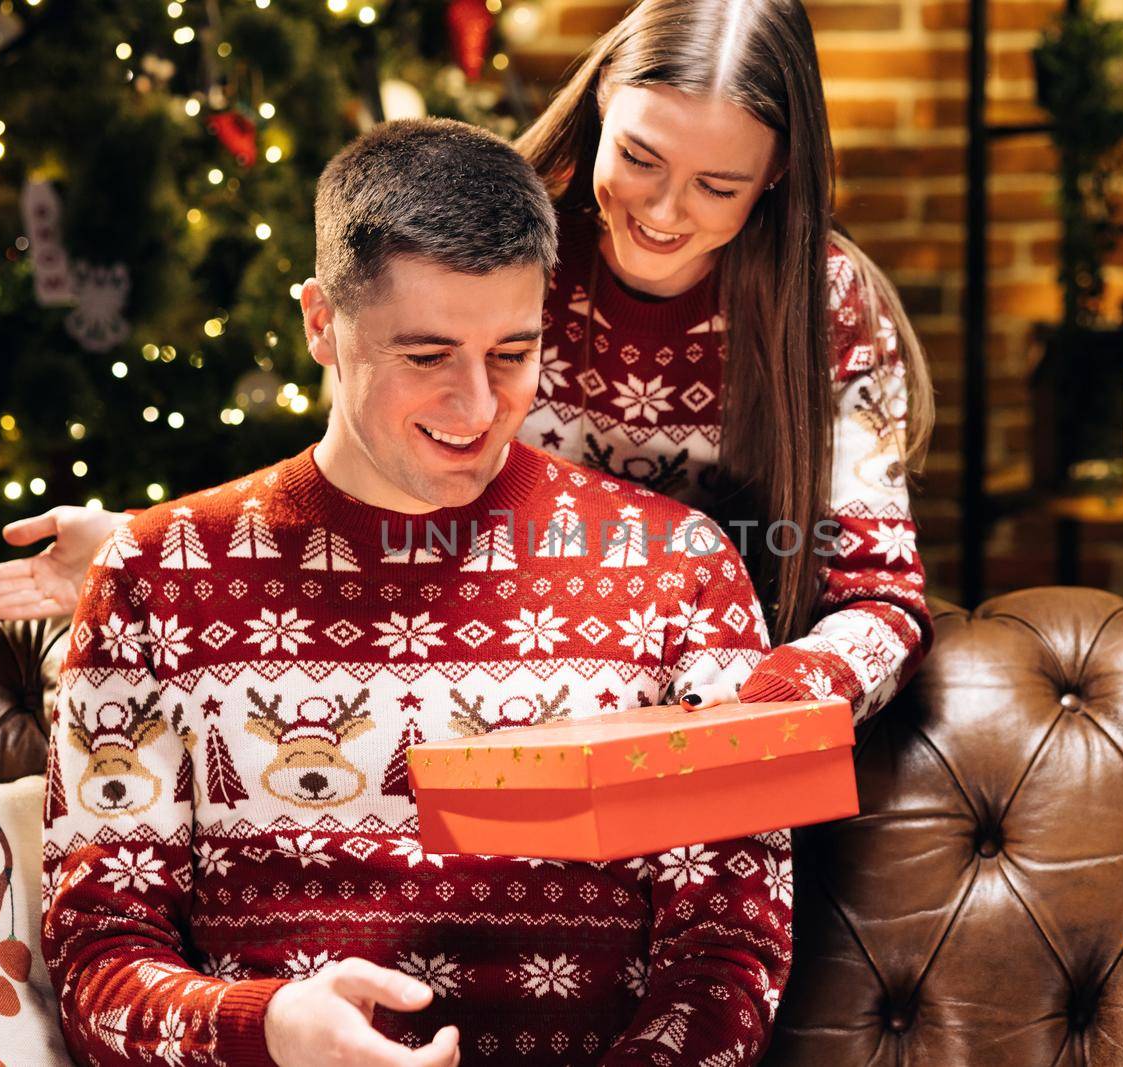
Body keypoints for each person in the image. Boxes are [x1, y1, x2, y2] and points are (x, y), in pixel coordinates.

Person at [0, 0, 936, 731]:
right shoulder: (505, 246)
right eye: (639, 157)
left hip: (716, 724)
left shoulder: (825, 303)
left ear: (775, 177)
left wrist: (760, 708)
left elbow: (880, 597)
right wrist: (152, 550)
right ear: (600, 105)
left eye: (717, 184)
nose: (665, 210)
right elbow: (372, 477)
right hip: (500, 688)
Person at [42, 118, 790, 1067]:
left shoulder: (681, 566)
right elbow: (97, 957)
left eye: (512, 353)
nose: (477, 409)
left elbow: (728, 954)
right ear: (321, 322)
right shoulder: (152, 578)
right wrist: (268, 1029)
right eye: (427, 356)